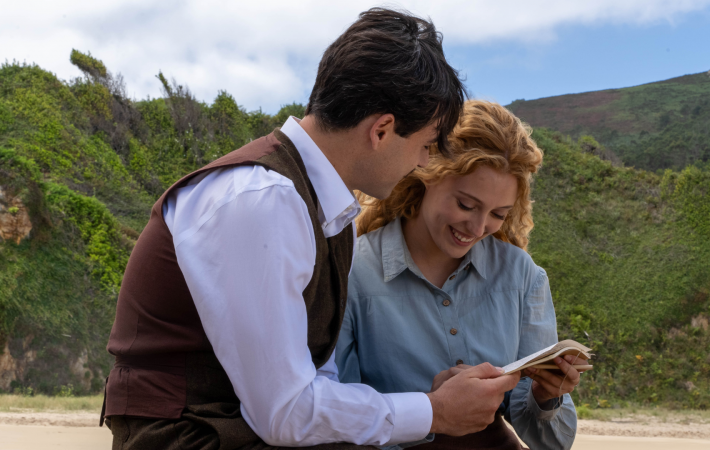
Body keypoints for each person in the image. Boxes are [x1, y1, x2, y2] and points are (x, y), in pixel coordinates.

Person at [102, 9, 521, 450]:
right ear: (382, 129)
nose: (423, 163)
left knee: (475, 437)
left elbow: (317, 383)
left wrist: (438, 411)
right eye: (425, 146)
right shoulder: (262, 198)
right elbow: (286, 413)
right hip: (188, 438)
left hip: (240, 431)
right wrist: (434, 411)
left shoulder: (329, 213)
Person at [336, 100, 584, 450]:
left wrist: (547, 398)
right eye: (466, 205)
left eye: (498, 213)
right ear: (426, 175)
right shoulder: (352, 271)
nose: (478, 227)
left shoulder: (521, 274)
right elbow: (337, 418)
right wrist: (428, 412)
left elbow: (553, 442)